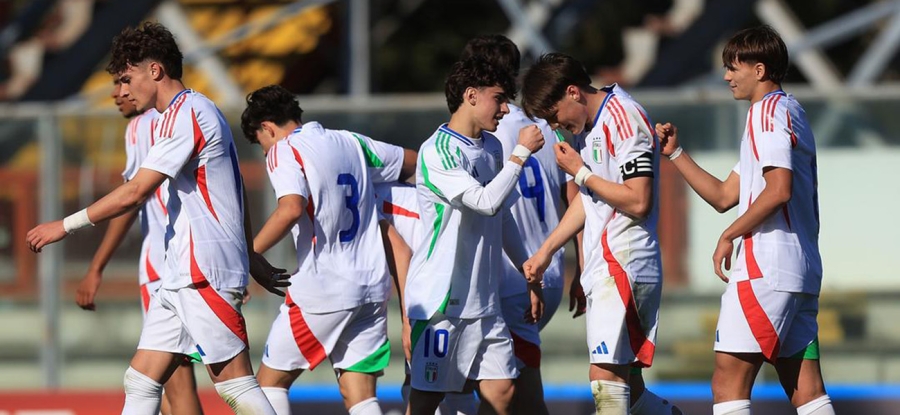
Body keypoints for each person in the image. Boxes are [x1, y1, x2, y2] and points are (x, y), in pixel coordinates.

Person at [26, 22, 288, 414]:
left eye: (126, 79)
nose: (122, 91)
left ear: (155, 70)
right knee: (142, 380)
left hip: (202, 271)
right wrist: (249, 256)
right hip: (181, 273)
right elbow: (231, 188)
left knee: (234, 382)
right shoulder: (180, 114)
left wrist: (63, 226)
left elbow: (135, 192)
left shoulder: (188, 113)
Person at [654, 26, 833, 415]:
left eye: (733, 68)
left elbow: (779, 189)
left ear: (759, 69)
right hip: (799, 272)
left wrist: (730, 234)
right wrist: (676, 153)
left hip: (766, 268)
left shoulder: (765, 113)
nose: (725, 77)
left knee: (728, 383)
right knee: (806, 390)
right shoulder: (790, 111)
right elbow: (723, 196)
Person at [240, 84, 415, 415]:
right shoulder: (351, 142)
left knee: (268, 385)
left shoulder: (284, 150)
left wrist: (247, 256)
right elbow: (414, 164)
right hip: (372, 289)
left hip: (324, 289)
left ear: (268, 127)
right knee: (359, 395)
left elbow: (291, 208)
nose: (265, 153)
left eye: (261, 143)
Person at [520, 52, 678, 415]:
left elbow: (639, 200)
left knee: (604, 378)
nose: (556, 126)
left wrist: (580, 172)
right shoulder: (588, 128)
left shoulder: (624, 117)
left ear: (573, 92)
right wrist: (546, 251)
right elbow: (590, 197)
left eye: (554, 115)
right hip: (605, 265)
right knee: (631, 390)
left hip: (624, 261)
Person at [404, 56, 545, 415]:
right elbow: (484, 202)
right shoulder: (438, 151)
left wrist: (528, 270)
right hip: (442, 302)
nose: (505, 109)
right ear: (471, 95)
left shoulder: (492, 147)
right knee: (425, 401)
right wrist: (521, 153)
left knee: (502, 392)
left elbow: (502, 215)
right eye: (499, 98)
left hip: (485, 301)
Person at [74, 76, 202, 415]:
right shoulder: (191, 113)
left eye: (123, 82)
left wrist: (96, 267)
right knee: (204, 377)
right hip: (198, 259)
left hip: (163, 265)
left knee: (176, 384)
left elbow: (131, 199)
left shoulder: (142, 126)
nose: (116, 94)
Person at [458, 34, 568, 415]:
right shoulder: (546, 125)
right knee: (518, 389)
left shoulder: (483, 136)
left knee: (490, 391)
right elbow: (574, 196)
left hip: (508, 278)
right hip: (548, 271)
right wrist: (582, 266)